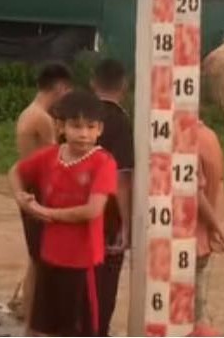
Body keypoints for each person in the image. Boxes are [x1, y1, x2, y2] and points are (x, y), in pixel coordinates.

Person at [9, 90, 117, 336]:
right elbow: (15, 171)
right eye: (76, 126)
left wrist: (46, 212)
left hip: (83, 263)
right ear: (60, 127)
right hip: (50, 258)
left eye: (90, 127)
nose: (83, 134)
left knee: (78, 331)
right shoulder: (49, 157)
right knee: (41, 329)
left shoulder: (103, 162)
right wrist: (21, 198)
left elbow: (93, 210)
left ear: (100, 129)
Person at [10, 62, 73, 327]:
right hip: (38, 192)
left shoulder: (29, 113)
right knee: (40, 261)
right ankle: (33, 318)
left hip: (29, 190)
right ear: (58, 87)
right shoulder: (42, 119)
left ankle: (29, 312)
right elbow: (55, 158)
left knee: (35, 259)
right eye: (67, 90)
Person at [90, 58, 134, 336]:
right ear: (125, 86)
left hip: (75, 212)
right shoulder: (121, 121)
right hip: (107, 216)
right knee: (105, 283)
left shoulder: (78, 117)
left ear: (93, 83)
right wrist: (127, 224)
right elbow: (122, 179)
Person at [195, 118, 224, 324]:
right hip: (204, 240)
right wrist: (216, 222)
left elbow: (194, 191)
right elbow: (219, 182)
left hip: (183, 240)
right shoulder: (210, 136)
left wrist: (216, 225)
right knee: (197, 306)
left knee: (186, 313)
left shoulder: (183, 138)